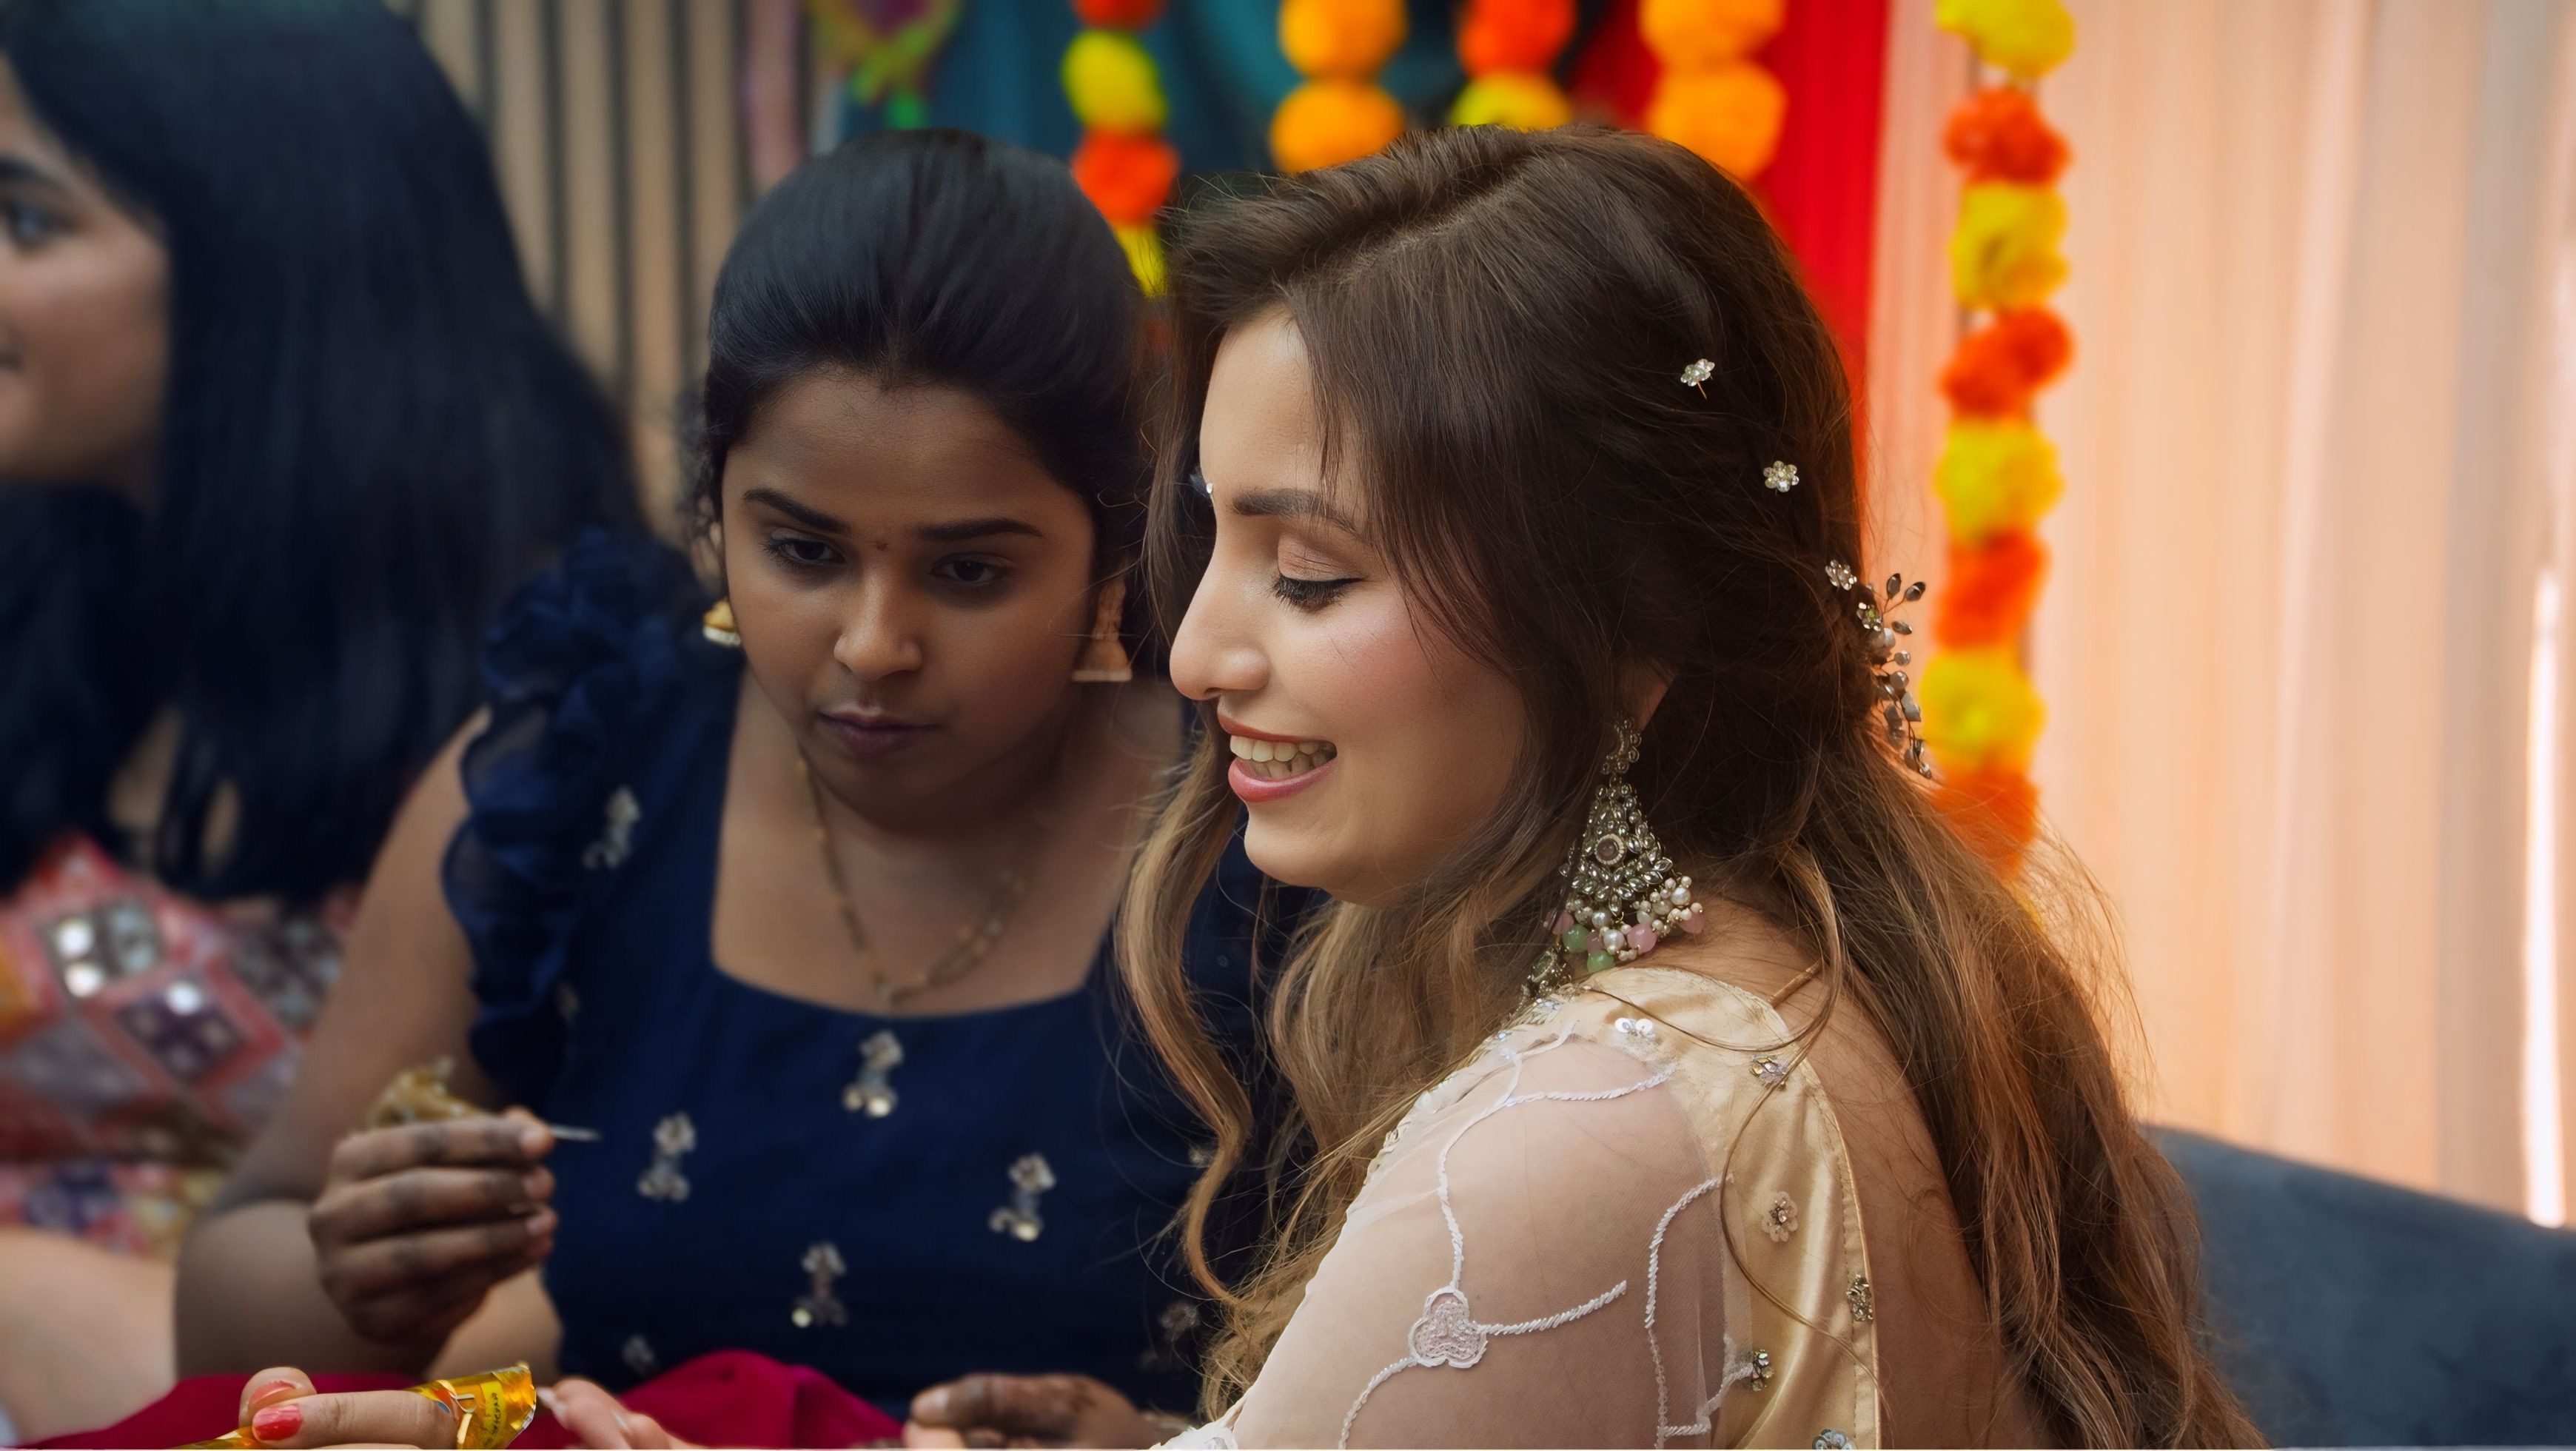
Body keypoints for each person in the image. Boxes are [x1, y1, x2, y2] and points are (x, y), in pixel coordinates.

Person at [1095, 125, 2261, 1447]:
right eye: (1213, 534)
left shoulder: (1586, 1136)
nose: (1195, 655)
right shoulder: (1838, 965)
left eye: (1310, 573)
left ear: (1631, 629)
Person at [171, 128, 1292, 1448]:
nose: (874, 644)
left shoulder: (1258, 821)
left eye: (970, 571)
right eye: (803, 551)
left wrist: (1181, 1447)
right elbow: (227, 1317)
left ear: (1115, 541)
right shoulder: (584, 776)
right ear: (713, 504)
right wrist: (355, 1281)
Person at [0, 0, 642, 1438]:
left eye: (28, 223)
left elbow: (607, 1251)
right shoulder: (45, 580)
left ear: (261, 274)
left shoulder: (568, 707)